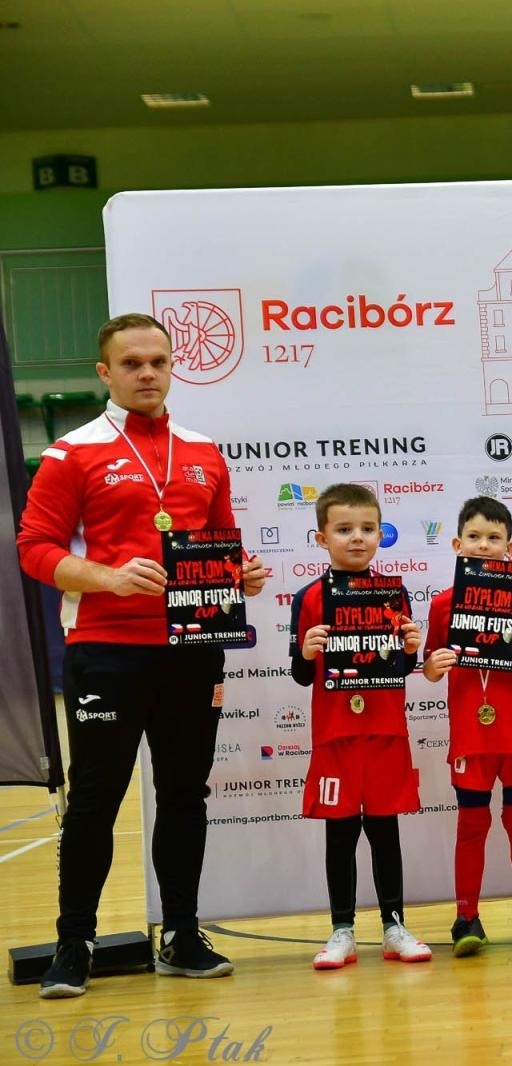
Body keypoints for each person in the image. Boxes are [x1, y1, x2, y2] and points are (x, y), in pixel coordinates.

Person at [19, 312, 267, 999]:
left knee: (185, 793)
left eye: (158, 361)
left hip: (191, 650)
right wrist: (105, 576)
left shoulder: (202, 450)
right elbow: (34, 548)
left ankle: (182, 935)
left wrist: (239, 573)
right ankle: (76, 943)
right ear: (105, 372)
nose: (148, 373)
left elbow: (221, 541)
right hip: (106, 650)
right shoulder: (74, 454)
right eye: (132, 363)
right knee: (97, 799)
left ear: (172, 365)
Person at [290, 483, 430, 968]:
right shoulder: (308, 598)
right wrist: (306, 651)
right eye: (344, 529)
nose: (357, 538)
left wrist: (412, 650)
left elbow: (400, 669)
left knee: (385, 829)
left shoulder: (395, 592)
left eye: (367, 529)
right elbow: (302, 673)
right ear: (321, 537)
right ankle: (341, 930)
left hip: (385, 731)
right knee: (341, 833)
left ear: (379, 535)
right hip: (335, 736)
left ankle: (394, 926)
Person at [422, 496, 512, 954]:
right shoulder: (442, 605)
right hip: (471, 733)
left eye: (493, 538)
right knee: (471, 824)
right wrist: (434, 665)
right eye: (474, 537)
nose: (483, 545)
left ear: (510, 546)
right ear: (458, 543)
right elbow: (431, 667)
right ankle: (466, 919)